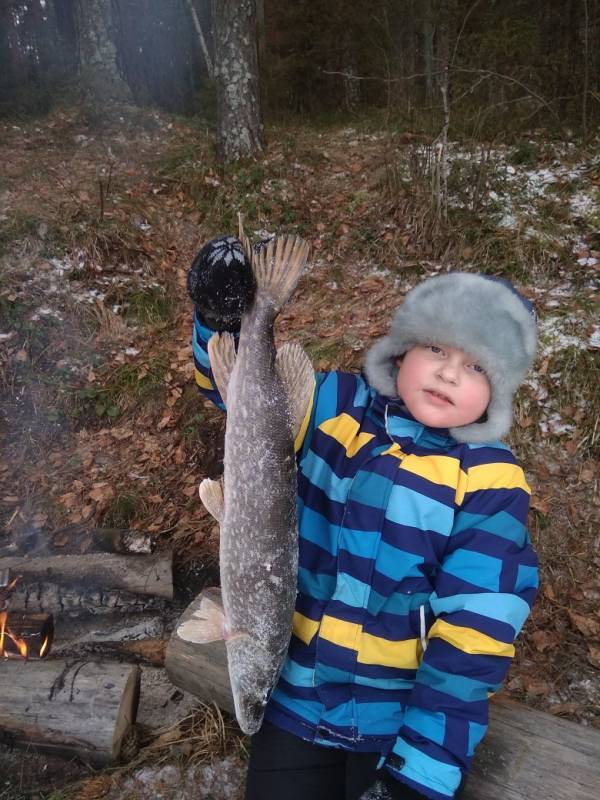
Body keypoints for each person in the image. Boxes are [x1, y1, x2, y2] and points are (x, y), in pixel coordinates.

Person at [188, 235, 539, 800]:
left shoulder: (491, 484)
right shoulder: (334, 408)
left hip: (391, 729)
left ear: (496, 392)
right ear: (400, 353)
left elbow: (474, 641)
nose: (449, 374)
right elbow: (239, 403)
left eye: (475, 365)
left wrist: (421, 773)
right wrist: (218, 322)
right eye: (436, 350)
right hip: (295, 701)